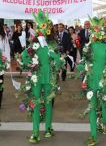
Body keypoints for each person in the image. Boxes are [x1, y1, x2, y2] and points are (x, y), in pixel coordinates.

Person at [19, 10, 63, 143]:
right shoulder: (34, 45)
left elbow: (60, 62)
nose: (42, 31)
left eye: (45, 27)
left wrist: (55, 58)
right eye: (40, 27)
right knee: (36, 103)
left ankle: (48, 128)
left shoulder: (52, 45)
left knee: (48, 103)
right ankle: (35, 132)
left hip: (49, 77)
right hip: (36, 77)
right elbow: (24, 56)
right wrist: (30, 65)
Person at [77, 17, 106, 146]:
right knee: (92, 106)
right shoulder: (88, 46)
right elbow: (84, 61)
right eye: (95, 30)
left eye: (100, 30)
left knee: (104, 105)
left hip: (105, 79)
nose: (97, 33)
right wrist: (81, 66)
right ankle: (93, 135)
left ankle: (105, 124)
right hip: (92, 79)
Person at [0, 24, 10, 109]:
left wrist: (7, 62)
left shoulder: (4, 37)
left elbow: (7, 49)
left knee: (0, 80)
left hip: (1, 61)